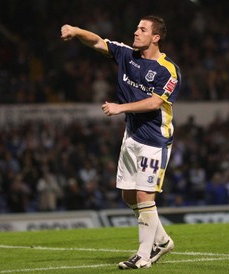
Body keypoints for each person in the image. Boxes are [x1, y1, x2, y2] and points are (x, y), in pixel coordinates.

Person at [61, 15, 181, 269]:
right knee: (129, 196)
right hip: (132, 136)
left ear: (155, 37)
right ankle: (162, 240)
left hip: (154, 139)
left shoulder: (168, 70)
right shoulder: (127, 54)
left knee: (144, 195)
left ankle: (143, 256)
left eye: (142, 29)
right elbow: (97, 42)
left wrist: (120, 108)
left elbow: (155, 102)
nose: (136, 32)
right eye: (136, 27)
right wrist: (76, 29)